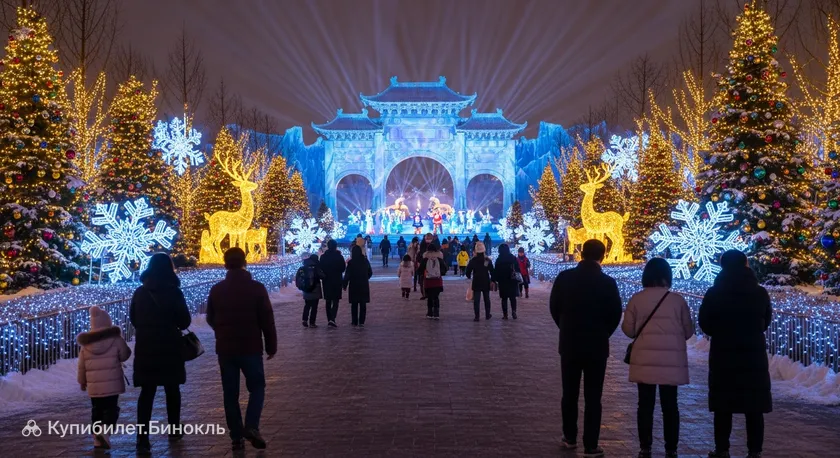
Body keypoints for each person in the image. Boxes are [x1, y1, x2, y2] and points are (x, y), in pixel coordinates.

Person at [549, 239, 622, 457]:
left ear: (581, 253)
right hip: (596, 346)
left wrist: (565, 327)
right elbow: (615, 314)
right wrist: (602, 333)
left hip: (570, 343)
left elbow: (554, 307)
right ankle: (591, 444)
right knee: (593, 397)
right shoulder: (608, 282)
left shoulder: (565, 278)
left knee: (569, 393)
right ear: (603, 255)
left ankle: (569, 436)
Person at [699, 250, 772, 458]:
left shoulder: (715, 292)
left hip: (724, 353)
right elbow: (765, 321)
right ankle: (754, 450)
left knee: (724, 404)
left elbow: (705, 322)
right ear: (745, 264)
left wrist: (721, 331)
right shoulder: (760, 293)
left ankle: (722, 449)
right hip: (753, 355)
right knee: (754, 406)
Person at [622, 258, 694, 458]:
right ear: (667, 276)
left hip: (644, 360)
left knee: (644, 405)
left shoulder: (637, 298)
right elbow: (688, 332)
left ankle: (645, 446)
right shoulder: (677, 300)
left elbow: (628, 330)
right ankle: (671, 448)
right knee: (670, 406)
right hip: (671, 362)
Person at [207, 248, 277, 451]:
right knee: (257, 387)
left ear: (225, 263)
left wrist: (222, 331)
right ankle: (252, 426)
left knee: (230, 393)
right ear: (244, 262)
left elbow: (211, 318)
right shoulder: (256, 288)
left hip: (226, 349)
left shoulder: (217, 289)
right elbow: (267, 320)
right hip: (250, 347)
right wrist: (271, 346)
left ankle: (236, 435)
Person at [129, 253, 191, 453]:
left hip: (146, 347)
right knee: (172, 389)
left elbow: (134, 319)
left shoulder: (140, 293)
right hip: (169, 347)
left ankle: (142, 437)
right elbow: (184, 321)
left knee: (147, 393)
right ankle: (174, 428)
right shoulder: (174, 292)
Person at [77, 305, 131, 449]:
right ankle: (105, 430)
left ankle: (96, 437)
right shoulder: (116, 339)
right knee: (112, 408)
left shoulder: (85, 344)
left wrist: (82, 381)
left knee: (96, 409)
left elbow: (81, 365)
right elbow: (125, 355)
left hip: (94, 385)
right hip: (112, 383)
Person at [344, 245, 373, 327]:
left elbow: (347, 275)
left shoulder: (351, 263)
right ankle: (362, 321)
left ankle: (354, 321)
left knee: (354, 304)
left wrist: (345, 284)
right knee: (363, 303)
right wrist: (365, 278)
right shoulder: (365, 261)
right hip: (363, 284)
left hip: (354, 285)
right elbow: (370, 272)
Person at [319, 239, 346, 328]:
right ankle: (332, 318)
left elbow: (320, 268)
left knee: (328, 300)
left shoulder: (323, 257)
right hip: (337, 280)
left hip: (326, 281)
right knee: (335, 300)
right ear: (335, 246)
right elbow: (343, 268)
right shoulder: (339, 257)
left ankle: (329, 318)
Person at [465, 241, 494, 321]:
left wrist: (469, 276)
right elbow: (492, 271)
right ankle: (487, 315)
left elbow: (467, 272)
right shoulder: (487, 260)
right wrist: (493, 280)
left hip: (476, 281)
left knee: (476, 300)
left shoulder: (473, 260)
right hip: (485, 281)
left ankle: (477, 316)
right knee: (487, 299)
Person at [493, 244, 521, 320]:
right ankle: (514, 311)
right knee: (513, 298)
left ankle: (505, 315)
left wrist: (495, 280)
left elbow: (496, 271)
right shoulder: (513, 258)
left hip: (503, 282)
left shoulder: (499, 259)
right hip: (512, 281)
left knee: (504, 298)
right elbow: (518, 269)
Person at [418, 242, 446, 319]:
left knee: (429, 297)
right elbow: (444, 269)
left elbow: (420, 270)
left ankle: (430, 313)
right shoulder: (440, 259)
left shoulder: (425, 259)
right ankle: (436, 313)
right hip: (437, 281)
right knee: (436, 297)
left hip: (428, 281)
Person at [300, 254, 326, 328]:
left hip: (306, 290)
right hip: (315, 289)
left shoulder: (303, 267)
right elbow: (322, 276)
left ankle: (304, 319)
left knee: (307, 305)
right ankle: (312, 322)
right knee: (314, 307)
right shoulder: (316, 267)